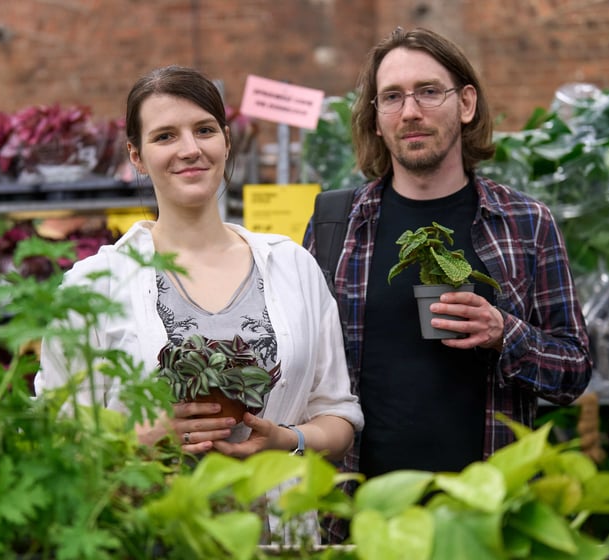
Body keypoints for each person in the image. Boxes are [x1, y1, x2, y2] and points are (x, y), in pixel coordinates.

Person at [34, 65, 363, 542]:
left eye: (204, 130)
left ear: (226, 142)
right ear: (137, 156)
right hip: (149, 536)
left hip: (282, 538)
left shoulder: (293, 266)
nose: (190, 149)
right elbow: (55, 437)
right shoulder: (92, 287)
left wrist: (286, 440)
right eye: (165, 135)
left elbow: (337, 414)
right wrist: (137, 440)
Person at [303, 27, 593, 540]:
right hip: (361, 522)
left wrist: (507, 333)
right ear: (376, 115)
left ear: (465, 103)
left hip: (489, 519)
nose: (410, 111)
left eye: (428, 91)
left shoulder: (525, 224)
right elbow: (303, 371)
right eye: (392, 96)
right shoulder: (336, 225)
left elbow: (573, 370)